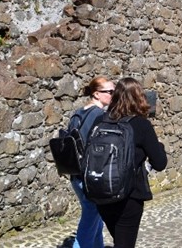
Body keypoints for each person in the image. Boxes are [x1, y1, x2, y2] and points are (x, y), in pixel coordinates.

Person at [94, 77, 167, 248]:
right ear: (139, 97)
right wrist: (159, 147)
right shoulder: (141, 125)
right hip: (129, 196)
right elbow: (160, 163)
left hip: (102, 193)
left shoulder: (101, 121)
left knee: (119, 239)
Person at [69, 76, 115, 248]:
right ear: (96, 94)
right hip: (90, 178)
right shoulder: (100, 116)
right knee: (88, 224)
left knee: (95, 217)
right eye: (110, 92)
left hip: (76, 176)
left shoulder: (77, 113)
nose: (113, 95)